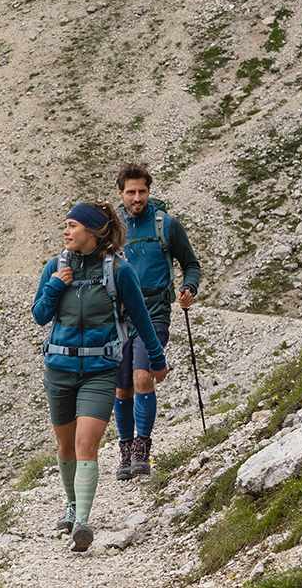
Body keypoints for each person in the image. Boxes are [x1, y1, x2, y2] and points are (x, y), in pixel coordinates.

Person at [31, 202, 169, 552]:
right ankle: (71, 505)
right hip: (59, 369)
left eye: (73, 225)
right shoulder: (54, 267)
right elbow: (39, 315)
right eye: (66, 225)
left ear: (93, 231)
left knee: (85, 445)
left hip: (99, 372)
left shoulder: (119, 271)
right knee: (65, 446)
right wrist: (55, 286)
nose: (66, 232)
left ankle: (82, 523)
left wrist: (156, 358)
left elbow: (140, 318)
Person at [110, 163, 202, 480]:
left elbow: (191, 264)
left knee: (142, 378)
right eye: (131, 192)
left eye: (142, 191)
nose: (137, 198)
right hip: (118, 317)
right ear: (120, 194)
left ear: (149, 191)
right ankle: (124, 449)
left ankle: (141, 448)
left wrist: (189, 288)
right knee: (121, 389)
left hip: (155, 313)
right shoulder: (111, 229)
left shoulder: (166, 225)